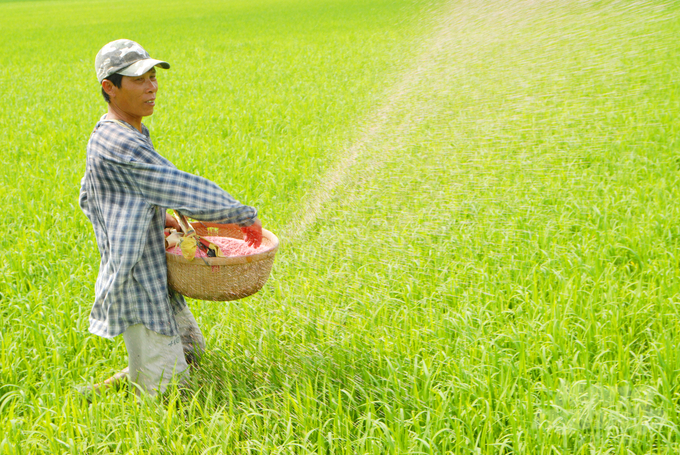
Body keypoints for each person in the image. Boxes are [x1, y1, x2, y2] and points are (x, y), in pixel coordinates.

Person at [78, 39, 263, 396]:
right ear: (109, 88)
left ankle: (121, 380)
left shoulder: (126, 130)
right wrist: (243, 216)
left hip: (153, 269)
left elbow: (91, 195)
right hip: (137, 278)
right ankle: (119, 394)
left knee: (192, 351)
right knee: (171, 394)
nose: (151, 87)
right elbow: (180, 187)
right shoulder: (120, 142)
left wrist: (154, 220)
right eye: (138, 80)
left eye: (153, 76)